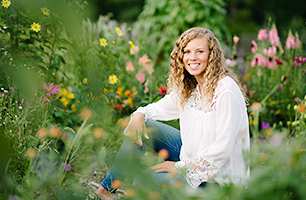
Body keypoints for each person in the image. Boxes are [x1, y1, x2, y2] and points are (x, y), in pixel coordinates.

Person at [94, 27, 250, 199]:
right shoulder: (192, 87)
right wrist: (140, 114)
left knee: (143, 181)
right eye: (187, 52)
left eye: (200, 51)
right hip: (192, 158)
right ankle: (105, 191)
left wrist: (179, 167)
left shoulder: (225, 91)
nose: (193, 58)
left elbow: (222, 150)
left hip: (219, 181)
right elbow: (160, 107)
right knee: (144, 125)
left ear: (212, 55)